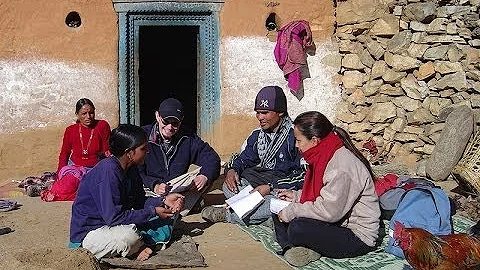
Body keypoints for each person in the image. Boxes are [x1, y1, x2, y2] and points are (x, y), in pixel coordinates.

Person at [273, 111, 380, 267]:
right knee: (277, 208)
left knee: (297, 227)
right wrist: (295, 196)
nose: (296, 146)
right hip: (337, 222)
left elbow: (330, 211)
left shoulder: (341, 166)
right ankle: (293, 248)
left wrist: (293, 210)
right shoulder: (323, 155)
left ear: (315, 140)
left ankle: (300, 246)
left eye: (298, 141)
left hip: (356, 235)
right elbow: (323, 193)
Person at [69, 124, 185, 261]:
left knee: (170, 216)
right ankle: (138, 246)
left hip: (114, 224)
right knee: (129, 236)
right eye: (143, 148)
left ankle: (140, 244)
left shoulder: (131, 168)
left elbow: (139, 201)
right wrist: (152, 212)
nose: (147, 152)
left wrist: (164, 201)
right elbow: (114, 218)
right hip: (91, 233)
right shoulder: (108, 171)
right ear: (129, 153)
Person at [201, 86, 303, 225]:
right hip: (259, 185)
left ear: (280, 112)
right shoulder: (257, 135)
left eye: (265, 113)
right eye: (258, 113)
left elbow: (303, 176)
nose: (260, 117)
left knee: (284, 202)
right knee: (229, 186)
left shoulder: (296, 137)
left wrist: (270, 187)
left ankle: (230, 215)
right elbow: (244, 159)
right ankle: (267, 216)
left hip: (282, 188)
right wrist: (232, 170)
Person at [139, 98, 221, 215]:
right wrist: (155, 185)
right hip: (149, 189)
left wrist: (205, 176)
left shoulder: (188, 138)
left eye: (175, 123)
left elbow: (212, 158)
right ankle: (175, 205)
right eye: (165, 122)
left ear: (181, 121)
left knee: (206, 175)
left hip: (176, 186)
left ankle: (171, 204)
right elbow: (136, 172)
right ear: (157, 116)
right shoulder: (143, 136)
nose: (169, 127)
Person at [57, 98, 111, 172]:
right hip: (75, 167)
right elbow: (64, 154)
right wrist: (60, 173)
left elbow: (107, 150)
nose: (88, 116)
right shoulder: (70, 130)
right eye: (84, 114)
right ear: (77, 114)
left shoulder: (102, 126)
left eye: (91, 113)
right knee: (69, 182)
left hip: (96, 167)